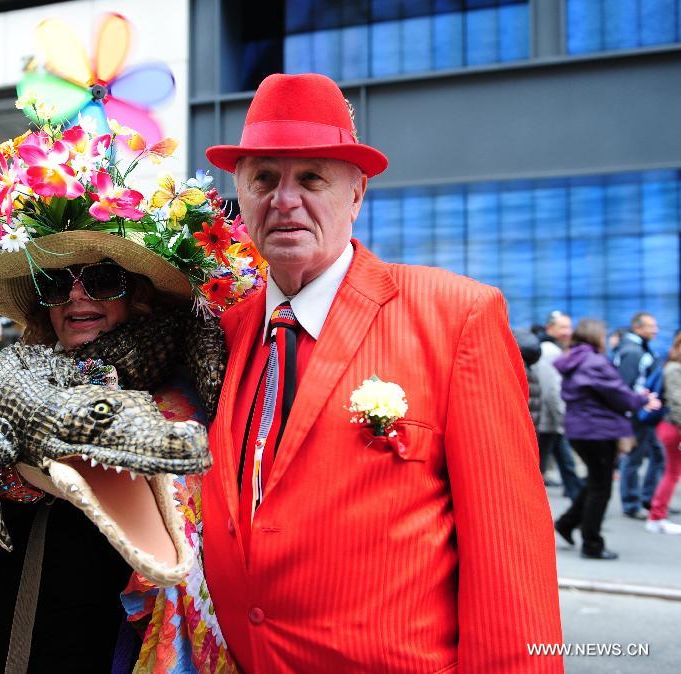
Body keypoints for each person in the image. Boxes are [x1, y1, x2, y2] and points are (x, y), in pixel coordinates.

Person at [199, 73, 562, 672]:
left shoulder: (455, 316)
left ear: (357, 193)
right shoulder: (226, 329)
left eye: (311, 178)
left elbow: (509, 555)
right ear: (241, 189)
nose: (283, 200)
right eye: (264, 178)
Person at [0, 117, 242, 673]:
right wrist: (19, 471)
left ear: (141, 298)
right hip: (5, 651)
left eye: (103, 281)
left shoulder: (183, 404)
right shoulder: (9, 375)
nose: (79, 297)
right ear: (43, 304)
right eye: (58, 284)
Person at [553, 319, 660, 559]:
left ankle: (567, 523)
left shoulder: (576, 359)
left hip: (582, 429)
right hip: (597, 431)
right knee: (601, 488)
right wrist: (641, 400)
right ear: (595, 336)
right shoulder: (593, 361)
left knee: (594, 481)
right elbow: (617, 393)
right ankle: (592, 544)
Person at [614, 311, 665, 518]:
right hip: (638, 413)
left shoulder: (637, 348)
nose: (655, 330)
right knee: (634, 458)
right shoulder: (633, 352)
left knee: (656, 455)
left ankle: (647, 498)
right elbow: (625, 385)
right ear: (637, 328)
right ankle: (632, 502)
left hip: (643, 412)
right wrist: (635, 407)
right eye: (651, 326)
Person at [538, 310, 584, 499]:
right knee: (537, 466)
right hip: (548, 419)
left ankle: (576, 498)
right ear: (550, 328)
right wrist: (562, 417)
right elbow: (552, 390)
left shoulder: (552, 349)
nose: (567, 331)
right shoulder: (550, 351)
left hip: (549, 419)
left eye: (569, 327)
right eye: (562, 327)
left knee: (564, 460)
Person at [645, 329, 681, 534]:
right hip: (674, 427)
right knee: (671, 473)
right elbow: (677, 401)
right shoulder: (674, 369)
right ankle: (656, 516)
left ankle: (657, 515)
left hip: (673, 426)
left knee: (671, 472)